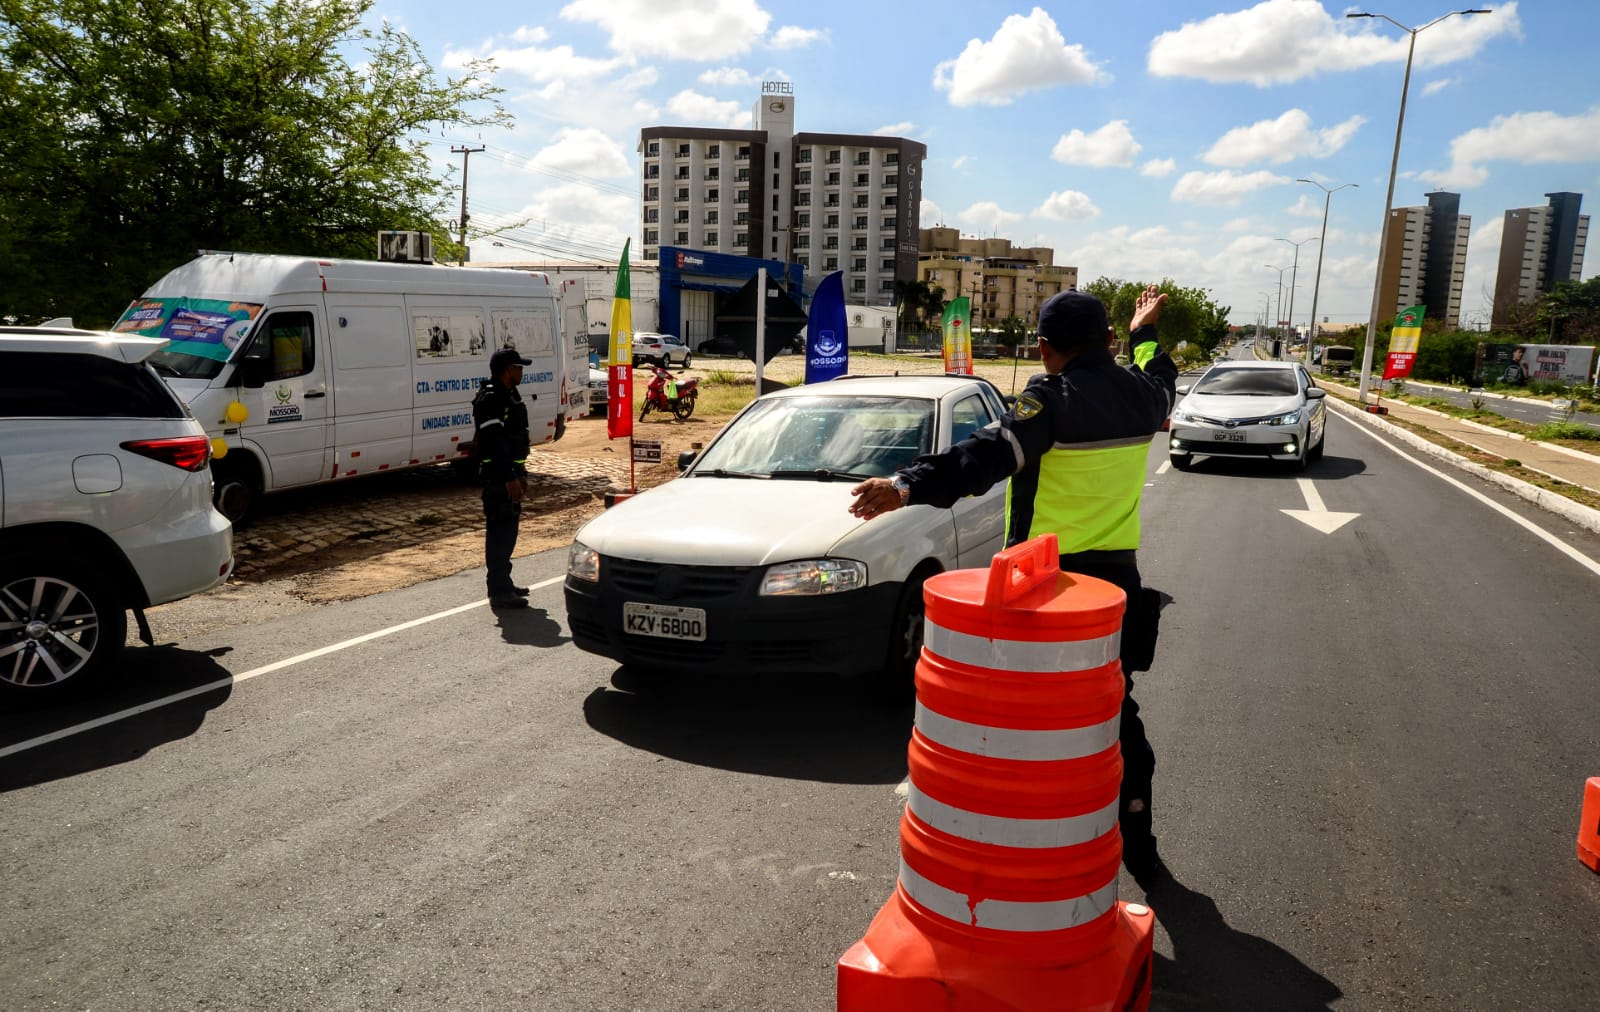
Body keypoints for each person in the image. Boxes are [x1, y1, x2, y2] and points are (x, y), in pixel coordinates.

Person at [848, 285, 1178, 882]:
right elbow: (1161, 369)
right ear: (1107, 341)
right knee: (1113, 711)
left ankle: (1022, 851)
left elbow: (981, 456)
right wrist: (1144, 330)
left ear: (1048, 349)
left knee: (1023, 722)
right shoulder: (1145, 395)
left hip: (1043, 588)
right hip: (1114, 589)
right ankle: (1139, 839)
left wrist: (904, 486)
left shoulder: (1050, 401)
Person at [473, 347, 533, 609]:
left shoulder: (508, 395)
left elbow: (515, 438)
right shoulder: (491, 398)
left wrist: (521, 473)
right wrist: (509, 476)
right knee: (499, 534)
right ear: (508, 369)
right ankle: (498, 589)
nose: (522, 372)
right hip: (499, 478)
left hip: (511, 475)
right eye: (519, 367)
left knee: (508, 532)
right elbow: (495, 442)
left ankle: (504, 583)